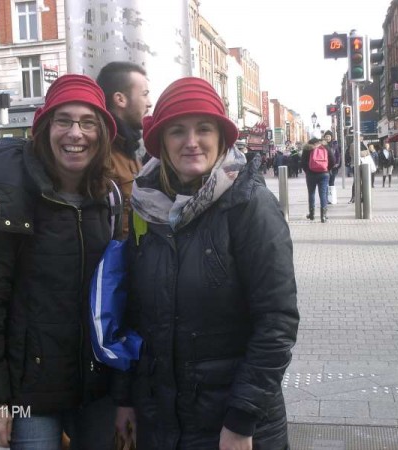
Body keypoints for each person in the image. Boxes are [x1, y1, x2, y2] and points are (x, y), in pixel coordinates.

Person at [113, 77, 299, 450]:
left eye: (203, 128)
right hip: (161, 420)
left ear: (221, 138)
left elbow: (276, 321)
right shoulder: (146, 208)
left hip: (230, 425)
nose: (191, 141)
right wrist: (126, 399)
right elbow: (134, 316)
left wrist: (241, 420)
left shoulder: (249, 206)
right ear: (162, 142)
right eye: (177, 130)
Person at [0, 74, 120, 449]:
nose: (76, 133)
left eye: (88, 122)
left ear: (102, 134)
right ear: (44, 129)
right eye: (64, 120)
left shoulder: (107, 198)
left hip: (96, 386)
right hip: (30, 392)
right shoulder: (10, 199)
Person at [96, 61, 152, 239]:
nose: (149, 103)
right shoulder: (100, 153)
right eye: (144, 95)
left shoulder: (128, 148)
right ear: (120, 99)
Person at [301, 133, 335, 223]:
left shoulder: (307, 148)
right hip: (324, 174)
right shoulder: (325, 147)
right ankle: (323, 217)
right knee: (323, 194)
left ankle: (311, 215)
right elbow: (333, 160)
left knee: (311, 193)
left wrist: (307, 171)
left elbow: (302, 162)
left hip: (311, 174)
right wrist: (327, 169)